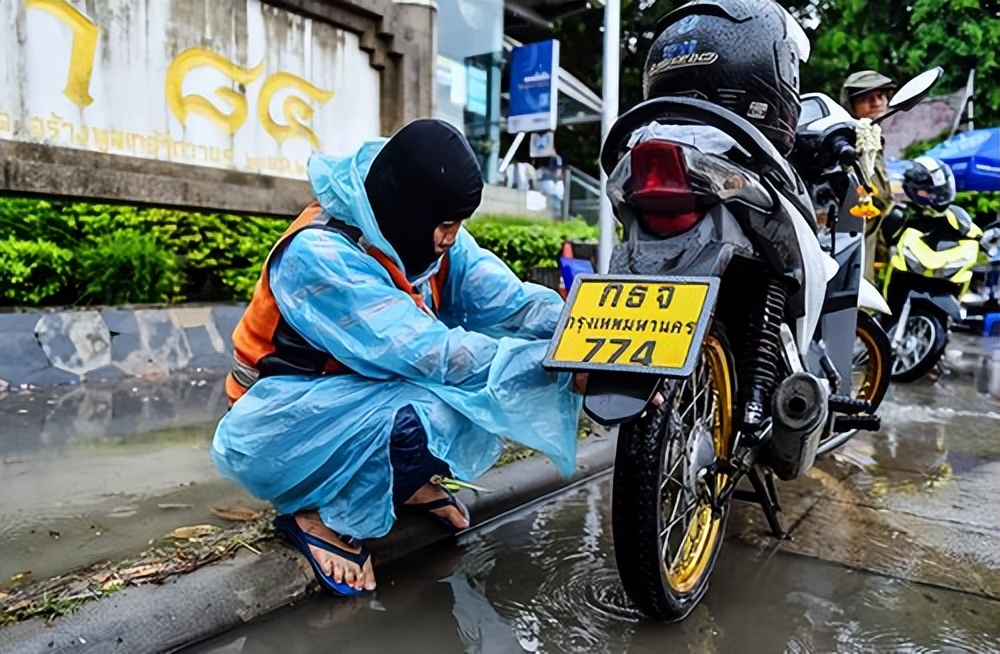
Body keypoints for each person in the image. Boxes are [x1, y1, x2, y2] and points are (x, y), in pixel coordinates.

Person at [212, 118, 583, 597]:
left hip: (351, 400)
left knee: (466, 399)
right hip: (279, 426)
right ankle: (316, 511)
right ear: (409, 209)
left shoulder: (423, 234)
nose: (452, 237)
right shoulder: (320, 256)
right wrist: (554, 364)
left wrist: (591, 335)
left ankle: (396, 487)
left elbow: (513, 304)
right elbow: (435, 355)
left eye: (458, 224)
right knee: (443, 410)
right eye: (446, 225)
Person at [842, 70, 898, 280]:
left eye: (881, 95)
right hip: (849, 247)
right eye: (867, 98)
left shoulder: (873, 138)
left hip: (869, 245)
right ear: (851, 105)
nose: (877, 103)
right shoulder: (845, 143)